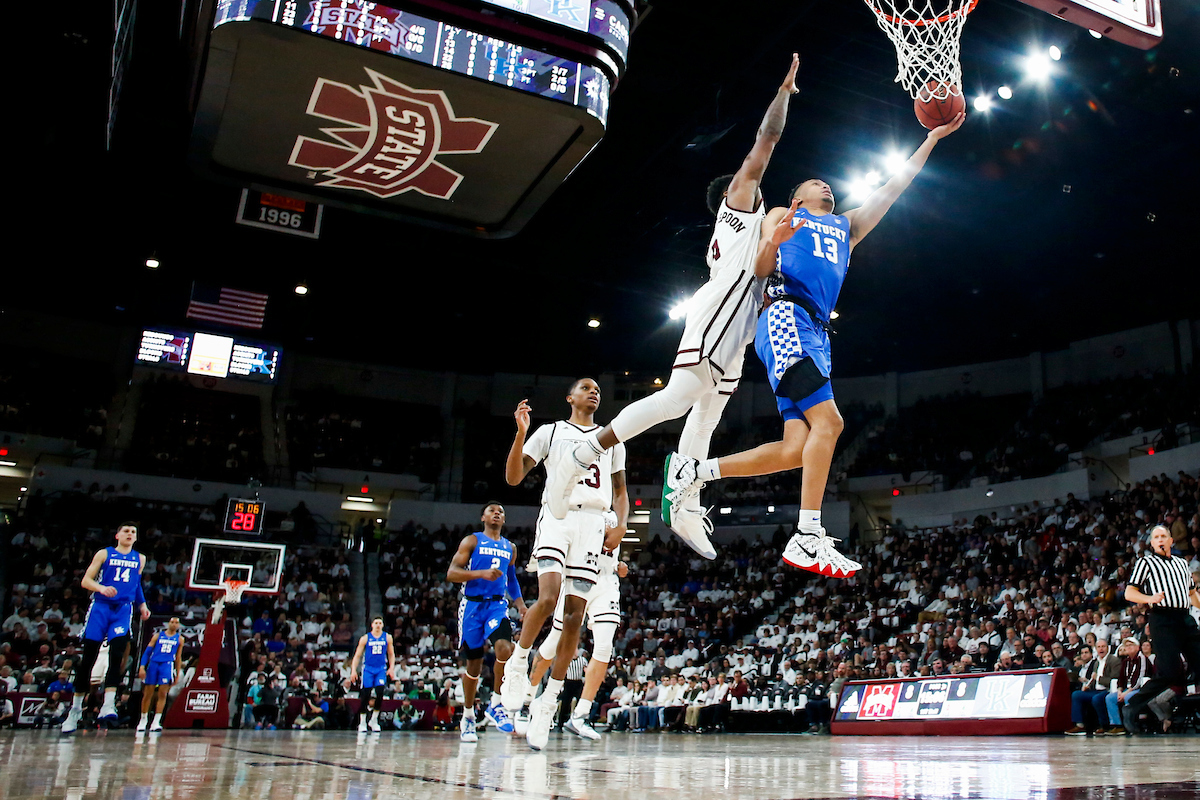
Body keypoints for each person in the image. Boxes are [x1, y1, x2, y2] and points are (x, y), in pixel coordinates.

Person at [663, 111, 966, 577]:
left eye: (827, 184)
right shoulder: (785, 216)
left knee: (794, 448)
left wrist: (932, 140)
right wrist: (774, 241)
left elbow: (894, 186)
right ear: (796, 197)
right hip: (784, 315)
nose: (825, 186)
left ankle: (693, 474)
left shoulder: (848, 226)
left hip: (816, 334)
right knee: (831, 421)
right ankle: (807, 533)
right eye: (815, 183)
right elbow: (762, 270)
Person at [537, 56, 803, 560]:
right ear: (733, 194)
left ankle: (682, 503)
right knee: (680, 399)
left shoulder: (761, 233)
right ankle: (585, 450)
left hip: (738, 322)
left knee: (705, 419)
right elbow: (764, 144)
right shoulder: (739, 205)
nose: (760, 186)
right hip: (722, 306)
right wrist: (783, 93)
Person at [501, 378, 629, 751]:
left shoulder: (611, 439)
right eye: (586, 388)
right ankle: (517, 664)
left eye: (598, 390)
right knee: (549, 595)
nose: (594, 392)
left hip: (593, 523)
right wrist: (520, 434)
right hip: (558, 517)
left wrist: (621, 524)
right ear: (569, 397)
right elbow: (513, 477)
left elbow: (620, 491)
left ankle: (549, 701)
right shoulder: (551, 431)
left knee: (574, 617)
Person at [447, 502, 528, 743]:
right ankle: (469, 716)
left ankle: (496, 704)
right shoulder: (471, 541)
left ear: (504, 519)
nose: (497, 513)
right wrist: (480, 574)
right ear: (483, 516)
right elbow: (452, 573)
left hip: (497, 605)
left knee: (505, 648)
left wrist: (521, 605)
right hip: (472, 605)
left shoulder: (509, 547)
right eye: (492, 510)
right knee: (474, 666)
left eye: (501, 511)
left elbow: (511, 579)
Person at [62, 522, 151, 734]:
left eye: (133, 532)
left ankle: (108, 704)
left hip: (123, 609)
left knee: (117, 654)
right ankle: (75, 711)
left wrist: (143, 604)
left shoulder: (140, 558)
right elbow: (86, 581)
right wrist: (101, 587)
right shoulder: (104, 554)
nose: (130, 534)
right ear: (117, 535)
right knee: (88, 660)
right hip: (100, 608)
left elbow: (136, 584)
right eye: (126, 531)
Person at [527, 554, 628, 740]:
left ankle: (580, 715)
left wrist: (619, 564)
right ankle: (528, 700)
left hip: (607, 580)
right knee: (555, 641)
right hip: (578, 574)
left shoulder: (620, 523)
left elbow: (614, 543)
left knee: (605, 648)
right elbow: (612, 536)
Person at [1122, 525, 1200, 729]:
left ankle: (1185, 708)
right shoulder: (1146, 562)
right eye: (1156, 537)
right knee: (1170, 672)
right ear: (1152, 543)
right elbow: (1129, 593)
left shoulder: (1182, 563)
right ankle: (1133, 705)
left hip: (1185, 617)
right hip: (1162, 619)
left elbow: (1192, 594)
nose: (1160, 539)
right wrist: (1149, 598)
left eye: (1163, 536)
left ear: (1171, 540)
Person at [346, 616, 396, 733]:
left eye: (380, 623)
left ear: (382, 625)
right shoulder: (365, 638)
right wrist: (353, 670)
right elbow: (357, 656)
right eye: (376, 623)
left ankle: (374, 720)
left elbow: (391, 654)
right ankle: (362, 721)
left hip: (381, 669)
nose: (378, 625)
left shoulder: (387, 637)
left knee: (379, 692)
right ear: (372, 625)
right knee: (366, 694)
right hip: (368, 669)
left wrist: (392, 668)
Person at [136, 616, 183, 732]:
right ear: (168, 623)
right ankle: (143, 720)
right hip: (154, 664)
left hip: (167, 665)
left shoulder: (180, 639)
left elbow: (178, 658)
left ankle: (156, 721)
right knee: (148, 693)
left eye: (176, 623)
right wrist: (142, 667)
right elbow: (147, 652)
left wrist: (177, 674)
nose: (174, 624)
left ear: (178, 625)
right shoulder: (157, 636)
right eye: (172, 622)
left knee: (162, 694)